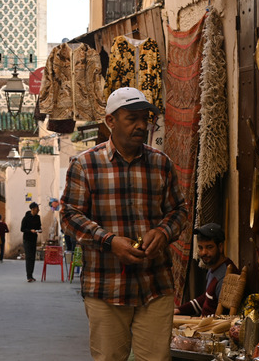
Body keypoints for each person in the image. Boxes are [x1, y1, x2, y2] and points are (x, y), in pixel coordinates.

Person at [61, 87, 187, 361]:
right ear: (110, 122)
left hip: (155, 283)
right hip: (107, 286)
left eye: (145, 118)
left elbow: (179, 211)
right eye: (132, 118)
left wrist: (163, 233)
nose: (142, 125)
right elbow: (69, 216)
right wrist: (109, 241)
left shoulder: (161, 163)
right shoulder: (85, 165)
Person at [173, 223, 235, 317]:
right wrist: (179, 310)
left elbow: (224, 317)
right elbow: (206, 298)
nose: (203, 253)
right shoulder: (213, 268)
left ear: (220, 247)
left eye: (209, 247)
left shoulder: (226, 277)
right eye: (200, 247)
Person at [21, 202, 42, 282]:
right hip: (27, 239)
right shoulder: (26, 218)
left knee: (33, 257)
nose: (38, 210)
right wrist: (30, 230)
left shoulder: (37, 217)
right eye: (37, 208)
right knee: (29, 257)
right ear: (33, 209)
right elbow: (22, 229)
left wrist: (39, 230)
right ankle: (28, 276)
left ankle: (31, 275)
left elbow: (39, 226)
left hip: (34, 239)